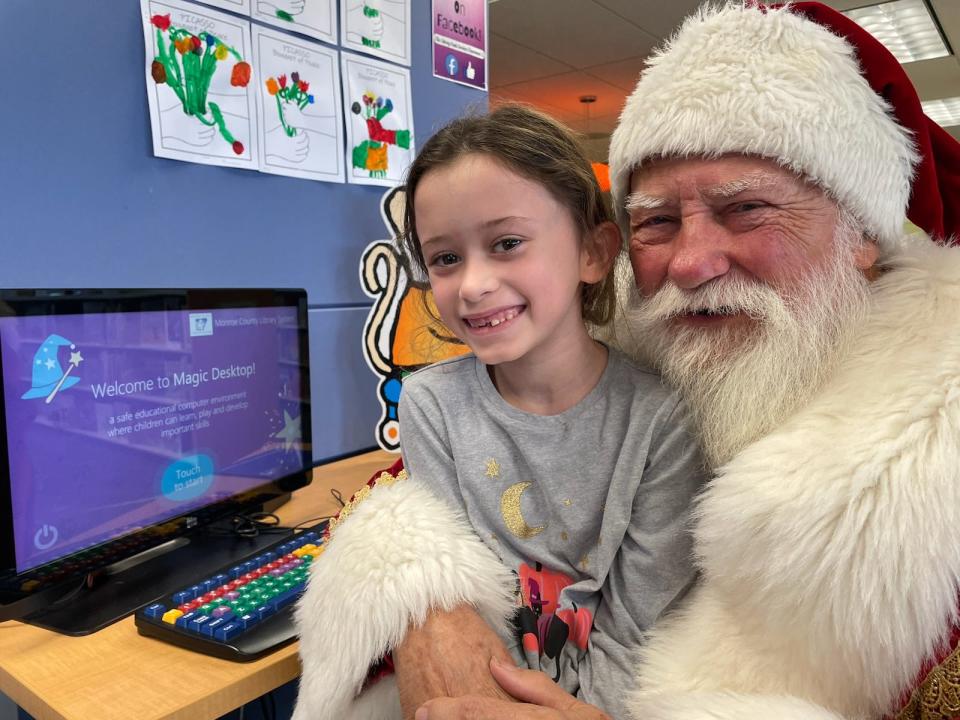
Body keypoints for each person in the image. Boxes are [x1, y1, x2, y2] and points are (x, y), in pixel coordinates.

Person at [395, 2, 960, 719]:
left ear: (864, 233)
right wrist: (425, 606)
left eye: (748, 208)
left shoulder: (936, 461)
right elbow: (415, 511)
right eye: (657, 222)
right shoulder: (655, 357)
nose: (689, 263)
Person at [292, 104, 706, 719]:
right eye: (445, 259)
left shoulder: (662, 419)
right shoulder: (432, 404)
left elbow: (641, 633)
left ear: (593, 253)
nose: (472, 284)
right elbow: (456, 599)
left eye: (507, 243)